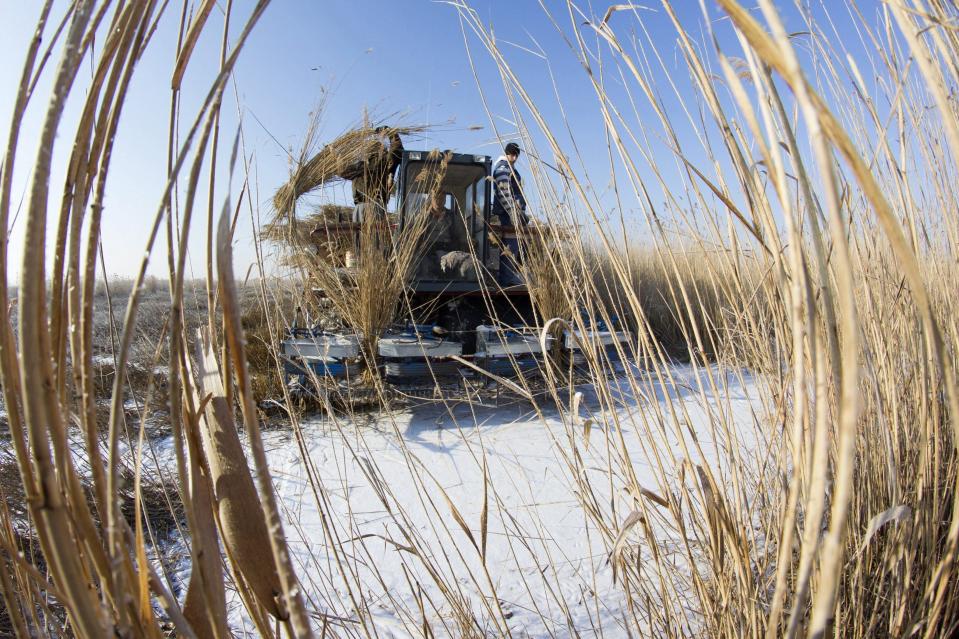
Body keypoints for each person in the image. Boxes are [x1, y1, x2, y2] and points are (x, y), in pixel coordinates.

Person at [338, 126, 404, 223]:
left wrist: (336, 157)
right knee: (367, 236)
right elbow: (397, 149)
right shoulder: (363, 166)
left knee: (368, 235)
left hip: (370, 207)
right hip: (367, 208)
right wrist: (390, 132)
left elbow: (341, 170)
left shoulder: (383, 163)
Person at [491, 141, 528, 226]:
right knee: (511, 238)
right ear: (506, 154)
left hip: (511, 213)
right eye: (512, 155)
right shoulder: (503, 168)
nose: (515, 158)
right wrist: (513, 214)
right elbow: (504, 193)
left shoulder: (509, 168)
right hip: (507, 215)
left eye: (517, 156)